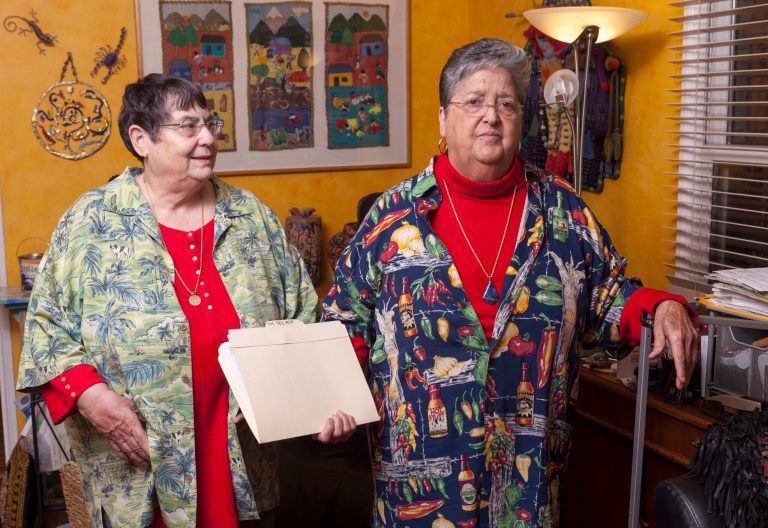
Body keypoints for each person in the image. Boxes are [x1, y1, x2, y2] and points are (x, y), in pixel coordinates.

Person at [322, 38, 698, 527]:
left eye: (507, 103)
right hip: (417, 487)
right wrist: (321, 402)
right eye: (474, 101)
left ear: (523, 119)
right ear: (443, 119)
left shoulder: (564, 212)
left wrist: (662, 307)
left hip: (528, 484)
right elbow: (342, 323)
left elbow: (609, 295)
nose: (491, 117)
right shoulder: (391, 219)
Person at [16, 73, 356, 528]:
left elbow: (303, 317)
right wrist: (93, 399)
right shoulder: (91, 221)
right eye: (188, 126)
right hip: (139, 462)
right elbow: (47, 329)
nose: (208, 138)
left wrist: (322, 400)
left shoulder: (250, 216)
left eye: (210, 124)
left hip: (240, 451)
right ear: (141, 139)